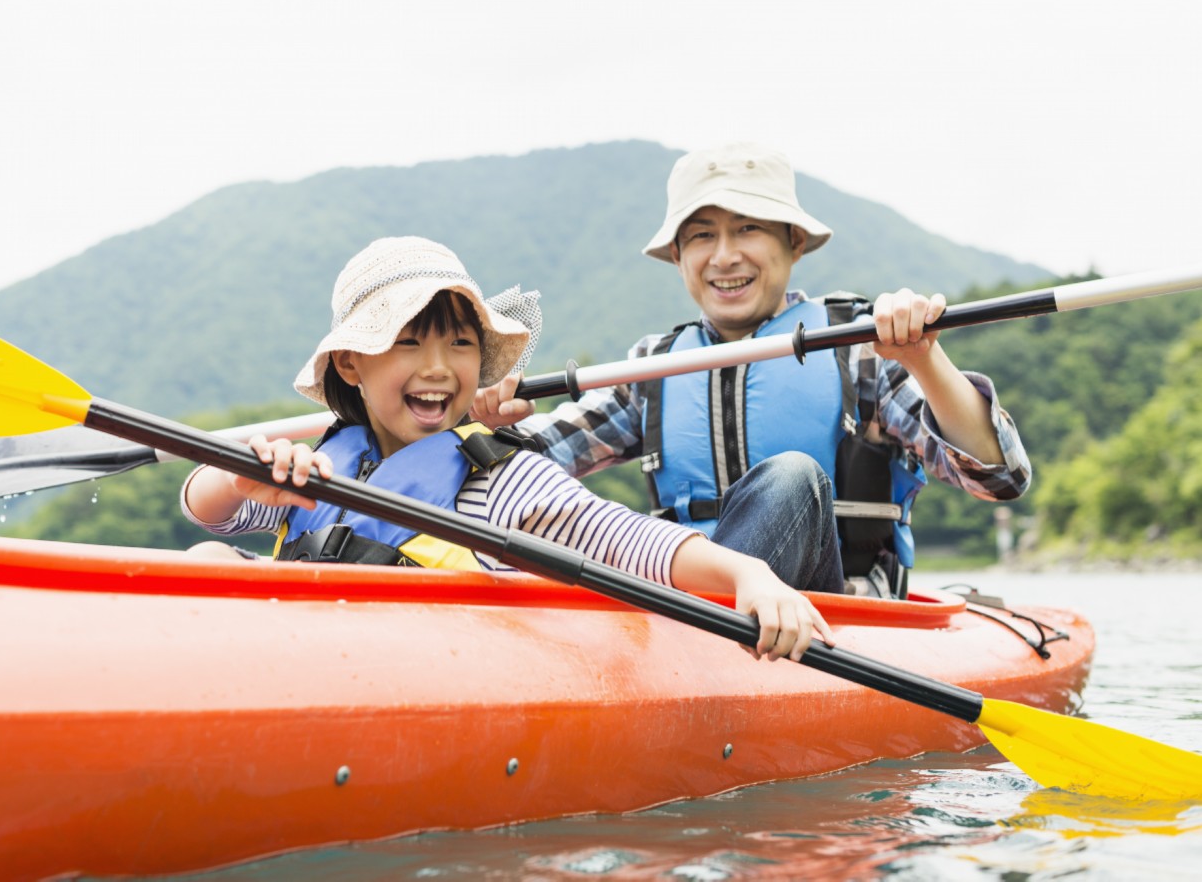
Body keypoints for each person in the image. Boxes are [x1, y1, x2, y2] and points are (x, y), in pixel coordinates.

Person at [181, 235, 835, 660]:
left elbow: (632, 542)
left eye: (459, 344)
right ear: (351, 364)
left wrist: (749, 574)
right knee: (209, 557)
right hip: (309, 658)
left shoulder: (502, 479)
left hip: (432, 677)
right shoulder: (317, 469)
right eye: (408, 342)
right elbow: (205, 509)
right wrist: (242, 479)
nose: (438, 367)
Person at [470, 142, 1031, 598]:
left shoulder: (859, 346)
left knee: (792, 477)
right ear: (680, 258)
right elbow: (523, 468)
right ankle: (697, 624)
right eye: (702, 236)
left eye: (747, 230)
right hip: (682, 604)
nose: (724, 256)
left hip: (838, 614)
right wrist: (493, 426)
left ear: (793, 243)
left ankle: (706, 631)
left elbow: (998, 477)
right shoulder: (653, 367)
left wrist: (920, 356)